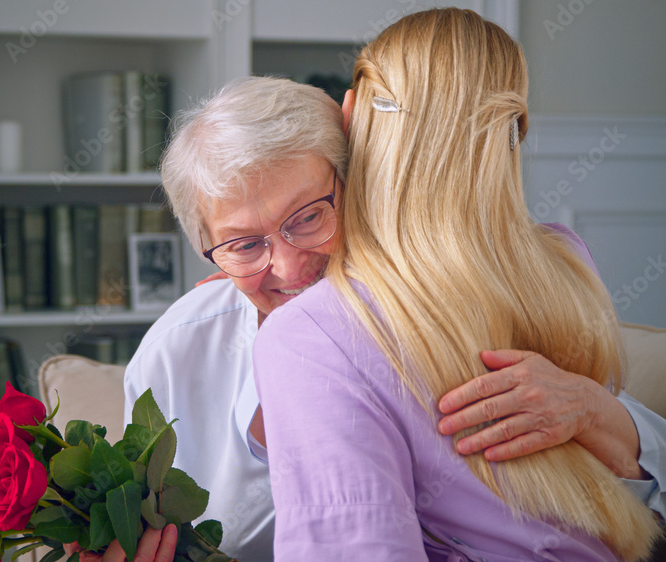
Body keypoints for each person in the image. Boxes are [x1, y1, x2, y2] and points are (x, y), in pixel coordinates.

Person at [126, 71, 666, 562]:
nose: (290, 267)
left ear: (358, 187)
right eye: (244, 245)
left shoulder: (456, 302)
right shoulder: (176, 350)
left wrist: (596, 411)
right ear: (206, 249)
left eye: (309, 216)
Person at [251, 8, 660, 561]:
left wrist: (594, 410)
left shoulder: (308, 337)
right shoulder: (565, 262)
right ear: (510, 134)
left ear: (349, 118)